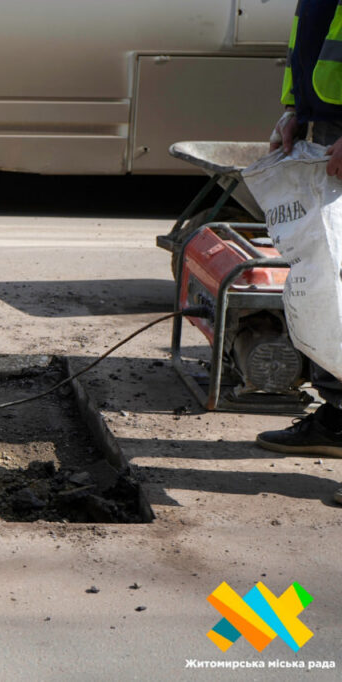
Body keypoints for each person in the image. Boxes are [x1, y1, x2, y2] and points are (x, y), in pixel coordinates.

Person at [257, 0, 342, 506]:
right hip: (327, 129)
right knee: (333, 286)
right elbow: (310, 35)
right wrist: (296, 111)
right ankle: (337, 419)